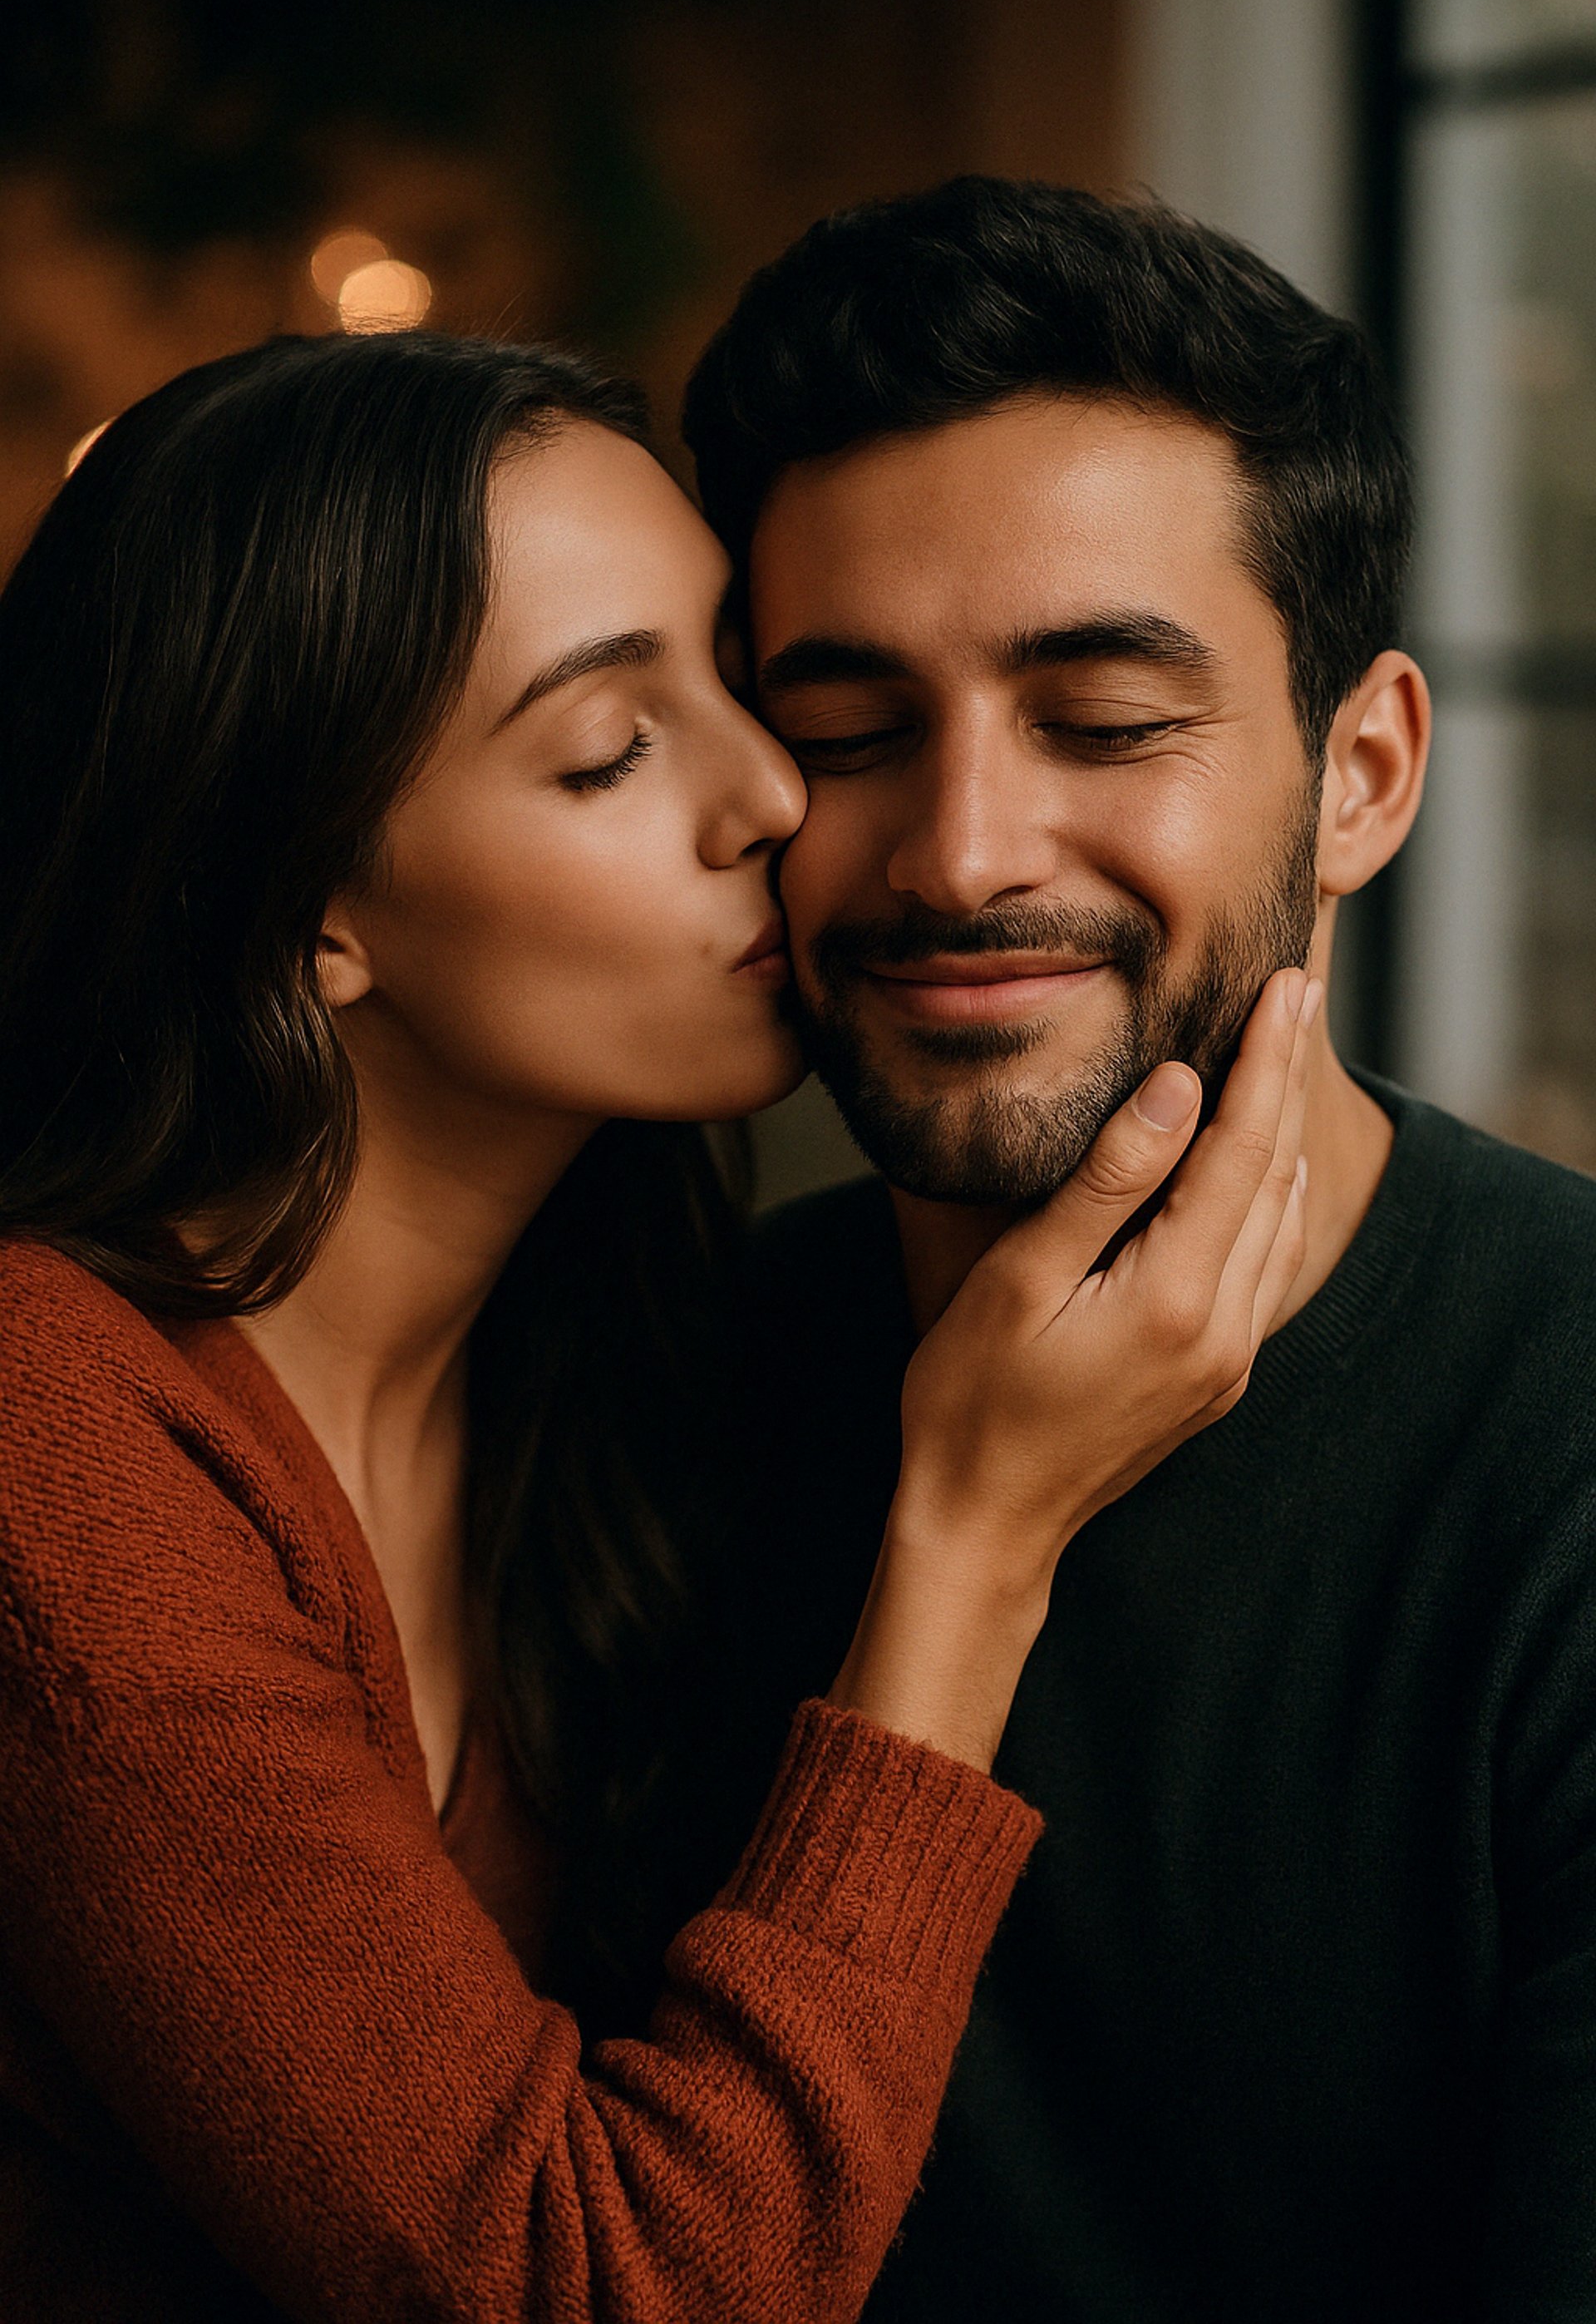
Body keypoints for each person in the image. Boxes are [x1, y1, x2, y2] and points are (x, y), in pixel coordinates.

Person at [0, 328, 1313, 2322]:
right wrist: (976, 1529)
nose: (775, 794)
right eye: (613, 748)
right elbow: (603, 2286)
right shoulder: (50, 1438)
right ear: (303, 908)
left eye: (750, 684)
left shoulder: (622, 1352)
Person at [682, 176, 1596, 2323]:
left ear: (1362, 776)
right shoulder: (656, 1384)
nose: (960, 854)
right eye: (845, 733)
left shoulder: (1558, 1434)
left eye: (1103, 722)